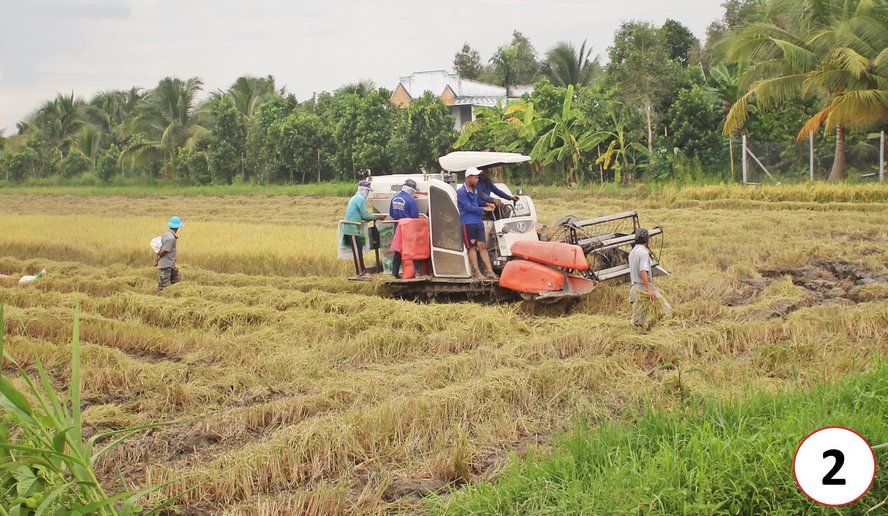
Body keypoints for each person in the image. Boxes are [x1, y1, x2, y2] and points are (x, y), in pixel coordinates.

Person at [628, 228, 673, 329]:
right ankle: (651, 329)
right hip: (643, 288)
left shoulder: (632, 252)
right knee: (666, 310)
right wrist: (649, 288)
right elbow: (643, 271)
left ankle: (645, 330)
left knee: (638, 321)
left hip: (635, 288)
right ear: (647, 239)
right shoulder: (643, 253)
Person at [457, 168, 497, 279]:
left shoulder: (474, 190)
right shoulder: (461, 192)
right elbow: (468, 207)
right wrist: (484, 209)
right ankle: (477, 272)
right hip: (468, 223)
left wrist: (488, 203)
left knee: (482, 246)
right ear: (468, 178)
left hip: (478, 222)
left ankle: (490, 271)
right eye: (475, 177)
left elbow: (477, 202)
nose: (477, 179)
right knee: (472, 247)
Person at [343, 180, 383, 276]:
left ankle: (362, 270)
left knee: (359, 249)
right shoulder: (360, 199)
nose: (368, 193)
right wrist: (378, 217)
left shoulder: (355, 198)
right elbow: (365, 216)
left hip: (353, 227)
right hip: (351, 227)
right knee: (357, 251)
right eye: (368, 191)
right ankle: (361, 272)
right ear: (364, 190)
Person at [388, 179, 420, 278]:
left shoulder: (394, 198)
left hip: (397, 227)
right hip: (408, 229)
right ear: (411, 190)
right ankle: (412, 272)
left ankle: (395, 273)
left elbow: (391, 213)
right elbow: (415, 217)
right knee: (410, 250)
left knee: (398, 250)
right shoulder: (411, 201)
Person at [155, 216, 183, 292]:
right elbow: (165, 250)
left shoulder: (166, 234)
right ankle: (158, 298)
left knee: (177, 281)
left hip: (171, 263)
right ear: (177, 227)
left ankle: (174, 294)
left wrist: (158, 257)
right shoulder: (171, 238)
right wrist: (158, 259)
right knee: (163, 286)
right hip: (166, 264)